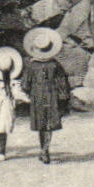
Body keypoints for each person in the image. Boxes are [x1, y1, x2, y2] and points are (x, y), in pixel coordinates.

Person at [20, 26, 70, 164]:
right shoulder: (55, 65)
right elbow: (63, 83)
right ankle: (45, 150)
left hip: (37, 95)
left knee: (41, 124)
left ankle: (43, 149)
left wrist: (29, 94)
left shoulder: (31, 65)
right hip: (52, 95)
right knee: (49, 124)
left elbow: (25, 84)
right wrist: (64, 98)